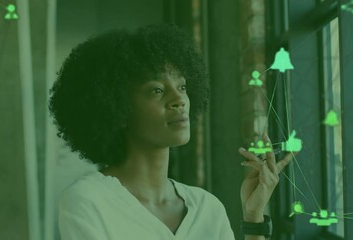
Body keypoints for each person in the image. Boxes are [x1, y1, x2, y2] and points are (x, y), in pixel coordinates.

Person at [48, 23, 296, 240]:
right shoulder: (88, 200)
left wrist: (253, 218)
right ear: (118, 107)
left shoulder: (207, 207)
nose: (179, 99)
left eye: (182, 87)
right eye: (156, 90)